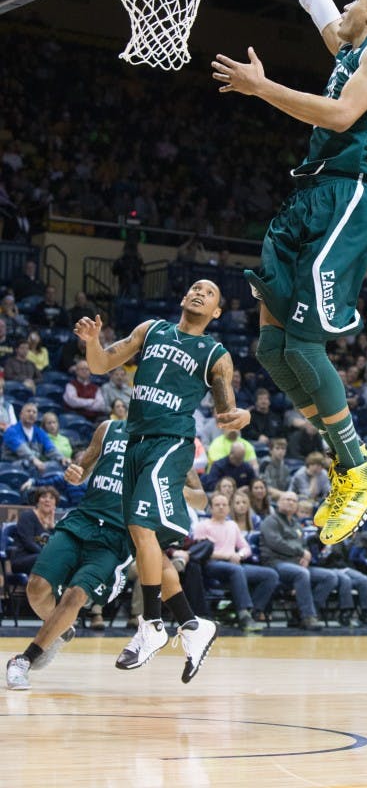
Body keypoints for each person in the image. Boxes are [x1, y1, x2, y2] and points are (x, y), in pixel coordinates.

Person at [211, 0, 367, 546]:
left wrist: (261, 87)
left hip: (348, 194)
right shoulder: (353, 48)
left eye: (357, 2)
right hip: (311, 191)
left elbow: (339, 115)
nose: (346, 7)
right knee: (271, 344)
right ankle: (349, 463)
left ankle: (360, 469)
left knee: (301, 342)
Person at [73, 280, 251, 680]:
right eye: (195, 288)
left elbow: (227, 416)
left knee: (140, 526)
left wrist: (243, 417)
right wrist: (92, 340)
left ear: (217, 312)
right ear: (182, 297)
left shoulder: (215, 354)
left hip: (170, 443)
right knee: (143, 545)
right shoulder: (150, 330)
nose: (200, 292)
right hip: (135, 443)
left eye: (210, 293)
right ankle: (193, 623)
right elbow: (102, 364)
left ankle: (152, 624)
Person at [6, 417, 208, 689]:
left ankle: (24, 660)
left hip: (117, 535)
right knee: (37, 588)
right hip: (84, 519)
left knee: (76, 595)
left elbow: (201, 498)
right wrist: (77, 472)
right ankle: (60, 629)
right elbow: (83, 468)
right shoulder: (109, 428)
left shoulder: (170, 444)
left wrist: (167, 484)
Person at [190, 492, 278, 632]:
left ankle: (250, 613)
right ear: (211, 508)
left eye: (224, 505)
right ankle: (243, 614)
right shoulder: (202, 526)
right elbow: (200, 552)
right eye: (217, 505)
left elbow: (246, 548)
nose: (221, 507)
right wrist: (227, 556)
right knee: (236, 570)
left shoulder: (232, 525)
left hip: (234, 564)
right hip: (211, 565)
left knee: (270, 575)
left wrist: (239, 555)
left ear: (228, 508)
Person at [259, 491, 337, 629]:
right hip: (275, 563)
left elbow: (304, 545)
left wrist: (305, 557)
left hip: (296, 564)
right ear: (278, 503)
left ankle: (304, 613)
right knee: (302, 573)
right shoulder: (270, 521)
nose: (290, 502)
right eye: (287, 499)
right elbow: (276, 542)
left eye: (294, 501)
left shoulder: (295, 524)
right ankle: (307, 616)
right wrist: (301, 552)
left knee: (330, 577)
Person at [2, 401, 63, 475]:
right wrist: (34, 460)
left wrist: (61, 458)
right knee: (27, 464)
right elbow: (22, 449)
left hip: (35, 466)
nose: (31, 414)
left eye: (34, 412)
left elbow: (50, 448)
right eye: (28, 411)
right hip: (12, 467)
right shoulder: (11, 431)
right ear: (21, 415)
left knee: (58, 465)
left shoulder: (39, 432)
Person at [9, 485, 59, 574]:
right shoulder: (27, 516)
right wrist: (47, 556)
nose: (47, 500)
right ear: (37, 501)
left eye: (51, 498)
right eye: (43, 497)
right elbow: (28, 542)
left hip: (43, 559)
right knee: (46, 560)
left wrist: (52, 527)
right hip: (22, 559)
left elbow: (57, 547)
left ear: (55, 504)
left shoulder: (53, 524)